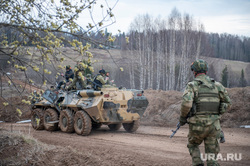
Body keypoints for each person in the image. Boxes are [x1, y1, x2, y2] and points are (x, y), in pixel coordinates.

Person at [179, 59, 231, 166]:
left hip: (197, 125)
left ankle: (198, 163)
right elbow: (227, 103)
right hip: (214, 126)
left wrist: (183, 118)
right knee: (212, 158)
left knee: (193, 145)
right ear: (206, 71)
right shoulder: (217, 86)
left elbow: (186, 104)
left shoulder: (192, 85)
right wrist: (218, 114)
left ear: (194, 72)